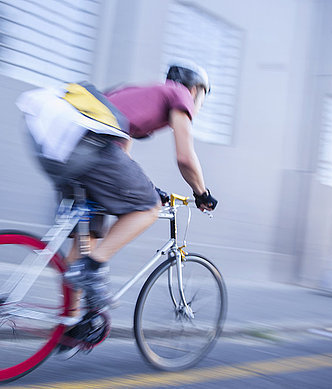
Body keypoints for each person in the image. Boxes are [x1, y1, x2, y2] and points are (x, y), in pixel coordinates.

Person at [17, 62, 218, 318]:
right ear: (196, 90)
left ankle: (72, 322)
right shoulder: (180, 94)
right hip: (90, 146)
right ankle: (91, 270)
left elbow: (121, 159)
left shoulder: (135, 93)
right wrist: (202, 193)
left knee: (86, 237)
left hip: (66, 149)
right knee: (148, 208)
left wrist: (150, 187)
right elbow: (185, 157)